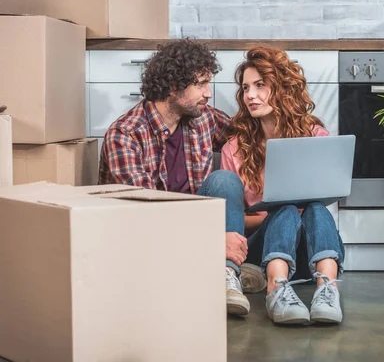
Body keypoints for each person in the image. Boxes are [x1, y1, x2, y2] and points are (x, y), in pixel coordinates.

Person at [98, 39, 265, 317]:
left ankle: (226, 275)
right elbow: (146, 214)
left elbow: (250, 138)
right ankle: (218, 268)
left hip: (194, 229)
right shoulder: (125, 136)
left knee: (223, 179)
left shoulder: (203, 119)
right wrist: (213, 239)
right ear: (173, 87)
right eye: (200, 84)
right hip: (148, 239)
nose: (208, 93)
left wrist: (287, 118)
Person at [220, 46, 345, 325]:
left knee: (314, 207)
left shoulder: (315, 136)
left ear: (283, 88)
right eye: (245, 88)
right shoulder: (235, 148)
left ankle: (328, 290)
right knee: (285, 209)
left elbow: (326, 199)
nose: (250, 95)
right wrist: (271, 215)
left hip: (308, 250)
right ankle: (276, 289)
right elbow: (233, 222)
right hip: (262, 248)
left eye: (260, 85)